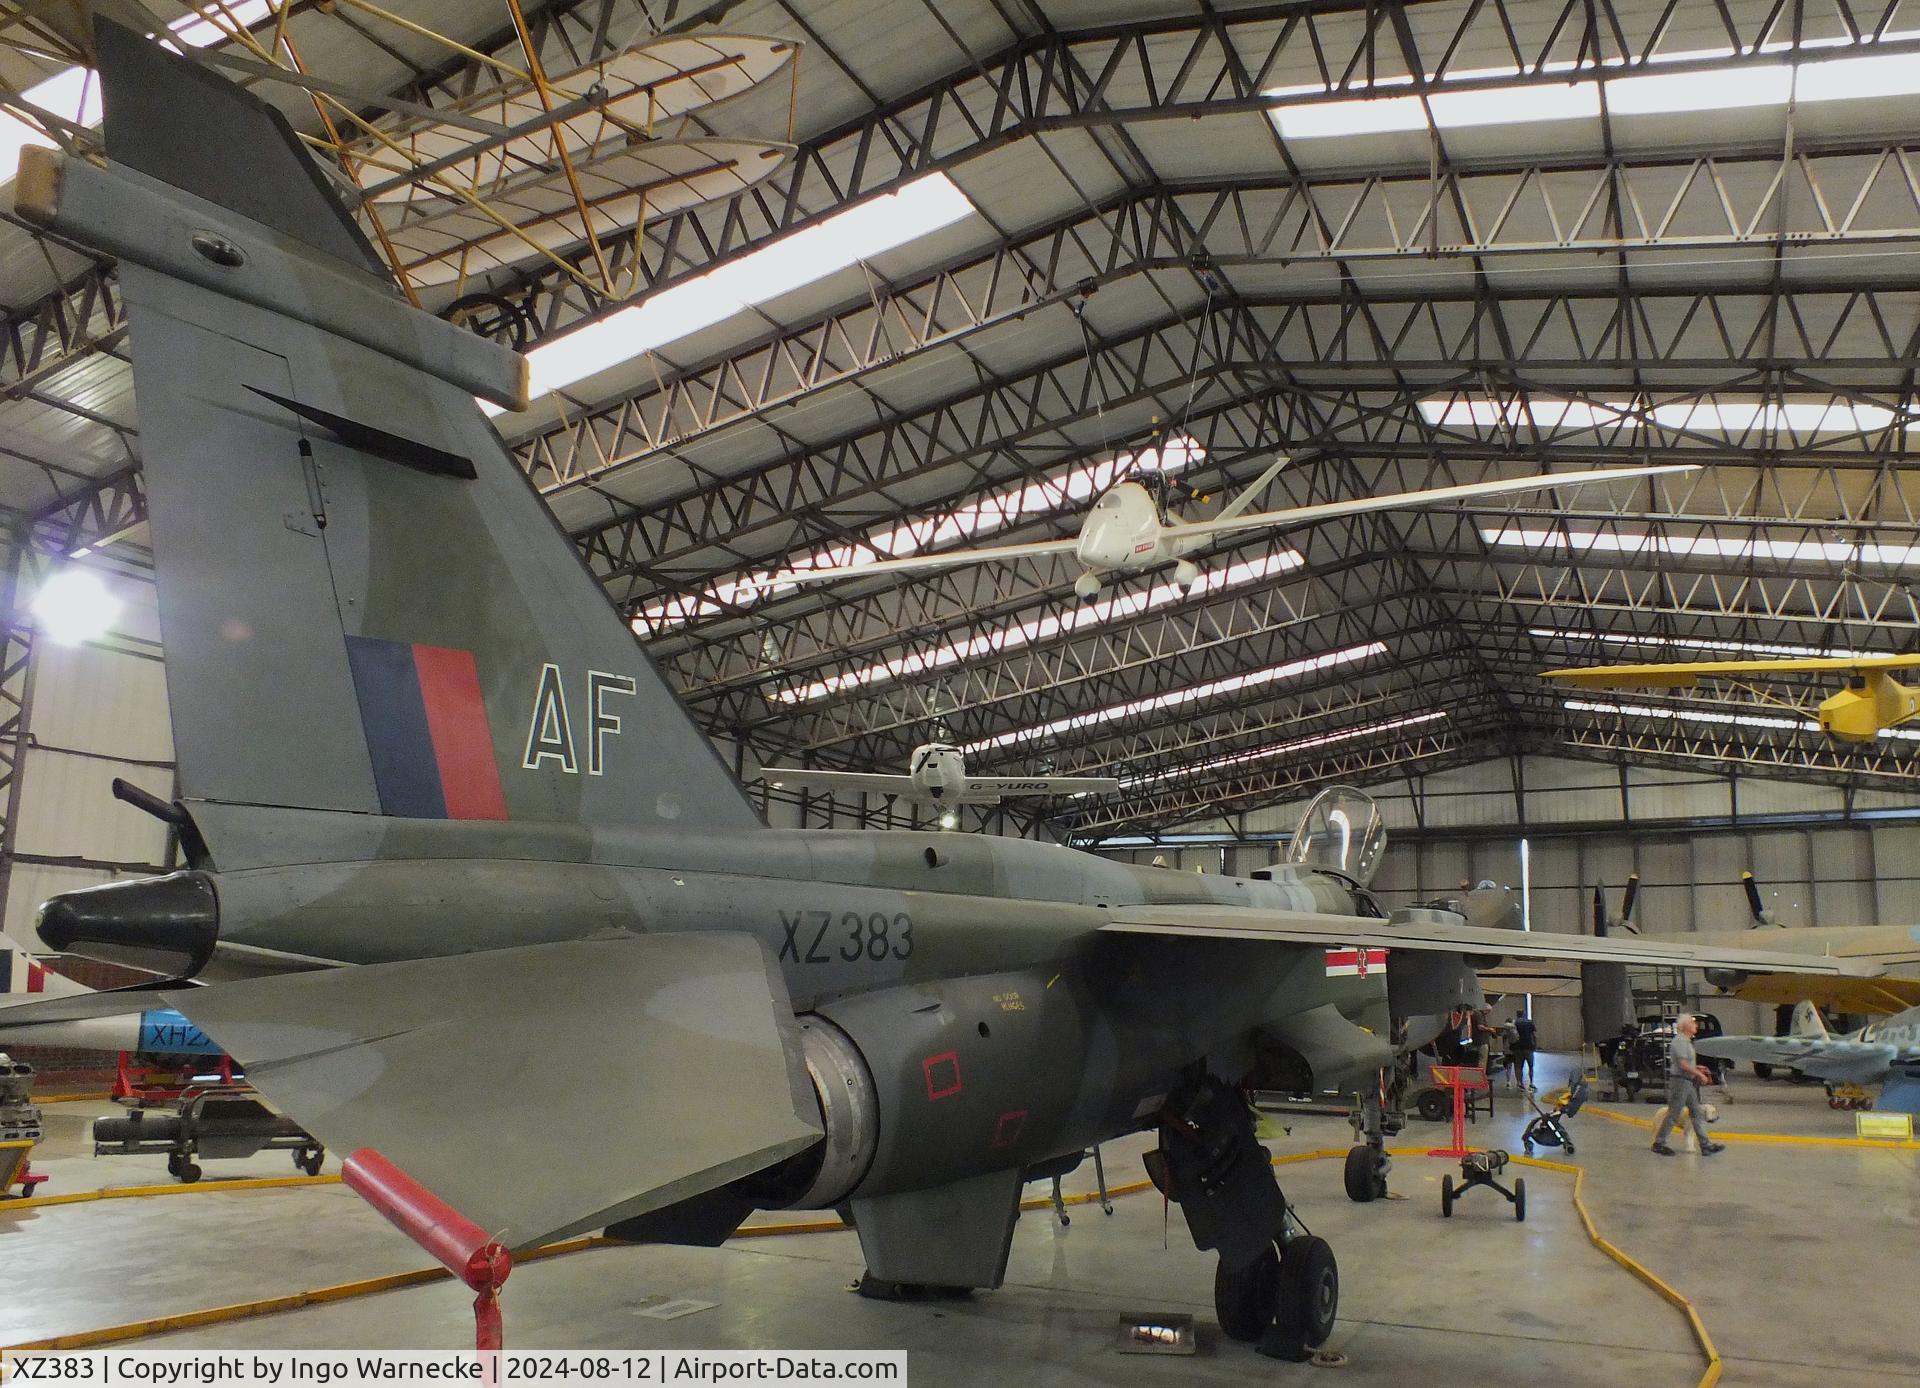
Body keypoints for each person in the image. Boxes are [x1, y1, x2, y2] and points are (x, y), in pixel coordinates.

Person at [1651, 1015, 1724, 1156]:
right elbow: (1682, 1064)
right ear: (1685, 1026)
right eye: (1693, 1023)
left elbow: (1687, 1063)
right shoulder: (1680, 1041)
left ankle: (1705, 1145)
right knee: (1674, 1113)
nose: (1695, 1026)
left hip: (1687, 1082)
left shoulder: (1686, 1041)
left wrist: (1698, 1068)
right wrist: (1699, 1074)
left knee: (1696, 1113)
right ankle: (1659, 1143)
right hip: (1680, 1081)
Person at [1509, 1012, 1537, 1089]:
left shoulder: (1514, 1024)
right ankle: (1531, 1082)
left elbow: (1511, 1035)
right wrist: (1534, 1045)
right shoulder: (1529, 1023)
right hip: (1528, 1047)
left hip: (1517, 1047)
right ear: (1524, 1015)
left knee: (1518, 1066)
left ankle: (1519, 1083)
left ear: (1517, 1015)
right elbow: (1533, 1035)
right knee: (1531, 1066)